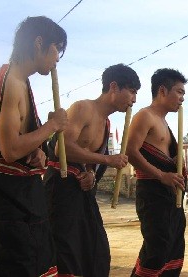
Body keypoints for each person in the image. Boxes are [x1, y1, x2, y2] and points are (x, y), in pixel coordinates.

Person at [0, 16, 68, 276]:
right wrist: (52, 126)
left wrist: (38, 151)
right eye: (56, 49)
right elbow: (10, 149)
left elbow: (20, 146)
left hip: (21, 201)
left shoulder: (19, 81)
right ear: (38, 43)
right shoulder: (9, 82)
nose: (57, 58)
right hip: (7, 204)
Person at [43, 63, 141, 276]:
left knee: (96, 251)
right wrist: (107, 159)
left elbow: (87, 163)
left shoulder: (105, 123)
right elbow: (63, 148)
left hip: (82, 194)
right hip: (59, 191)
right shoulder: (82, 108)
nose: (134, 99)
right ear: (114, 87)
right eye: (132, 92)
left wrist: (90, 175)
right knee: (67, 253)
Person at [126, 68, 188, 277]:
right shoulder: (145, 115)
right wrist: (161, 175)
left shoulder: (164, 121)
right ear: (162, 90)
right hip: (153, 193)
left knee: (173, 247)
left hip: (170, 195)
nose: (182, 98)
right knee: (157, 249)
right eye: (179, 92)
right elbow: (130, 152)